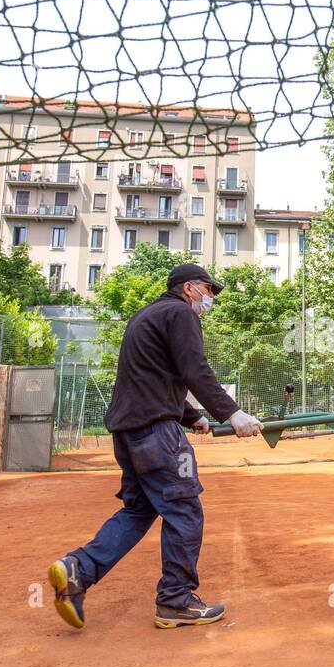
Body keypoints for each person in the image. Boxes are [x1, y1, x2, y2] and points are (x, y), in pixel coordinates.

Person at [47, 263, 262, 630]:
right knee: (184, 510)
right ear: (190, 288)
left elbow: (153, 378)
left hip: (130, 433)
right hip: (157, 436)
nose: (212, 298)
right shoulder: (180, 314)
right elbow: (195, 369)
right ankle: (176, 600)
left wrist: (190, 415)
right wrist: (234, 413)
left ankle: (78, 569)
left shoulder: (147, 316)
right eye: (210, 290)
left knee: (138, 510)